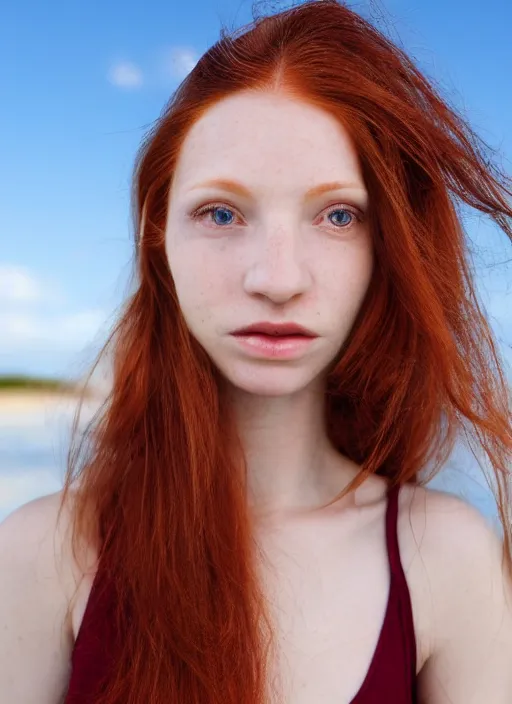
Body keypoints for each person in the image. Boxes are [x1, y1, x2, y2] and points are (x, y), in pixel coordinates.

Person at [1, 0, 512, 702]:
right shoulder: (44, 554)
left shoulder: (445, 558)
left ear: (387, 248)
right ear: (159, 237)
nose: (277, 278)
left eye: (338, 215)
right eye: (221, 213)